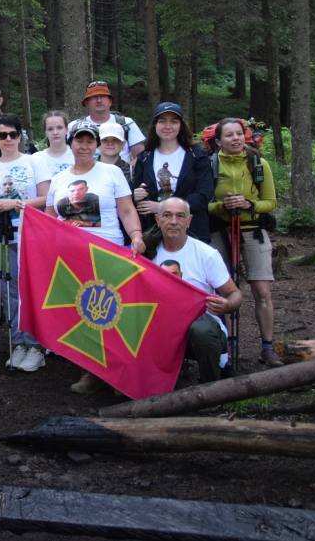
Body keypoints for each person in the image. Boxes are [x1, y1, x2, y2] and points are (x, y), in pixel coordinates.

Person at [46, 120, 146, 394]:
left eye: (90, 141)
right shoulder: (59, 179)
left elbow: (126, 210)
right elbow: (50, 219)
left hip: (107, 252)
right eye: (79, 140)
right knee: (83, 314)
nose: (85, 146)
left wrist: (136, 235)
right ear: (71, 143)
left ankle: (120, 374)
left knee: (113, 313)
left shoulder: (111, 173)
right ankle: (90, 372)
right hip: (73, 257)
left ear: (97, 144)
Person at [0, 115, 49, 373]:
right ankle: (19, 341)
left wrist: (16, 204)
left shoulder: (34, 161)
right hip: (0, 233)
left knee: (30, 288)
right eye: (2, 135)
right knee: (8, 289)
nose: (8, 139)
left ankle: (36, 346)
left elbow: (45, 198)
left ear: (20, 136)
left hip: (29, 232)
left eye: (13, 134)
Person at [208, 118, 280, 367]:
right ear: (218, 141)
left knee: (262, 291)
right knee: (223, 290)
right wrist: (221, 206)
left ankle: (267, 347)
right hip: (220, 232)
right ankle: (227, 346)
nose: (236, 138)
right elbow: (202, 202)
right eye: (229, 135)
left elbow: (270, 202)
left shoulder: (259, 163)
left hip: (253, 230)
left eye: (239, 134)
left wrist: (250, 205)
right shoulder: (210, 165)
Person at [152, 197, 242, 383]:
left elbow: (235, 294)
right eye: (167, 215)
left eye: (180, 216)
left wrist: (227, 305)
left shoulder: (206, 254)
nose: (174, 221)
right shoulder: (146, 253)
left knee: (202, 331)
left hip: (198, 327)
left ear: (189, 220)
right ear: (157, 219)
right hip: (159, 326)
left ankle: (211, 386)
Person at [131, 102, 215, 244]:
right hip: (154, 234)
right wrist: (136, 194)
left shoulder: (197, 155)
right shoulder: (144, 157)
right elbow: (134, 193)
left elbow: (204, 195)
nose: (167, 126)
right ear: (155, 125)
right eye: (162, 121)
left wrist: (162, 208)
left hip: (192, 232)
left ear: (181, 125)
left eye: (174, 121)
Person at [69, 80, 146, 164]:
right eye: (94, 97)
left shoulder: (126, 123)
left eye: (102, 96)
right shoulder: (74, 126)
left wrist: (128, 172)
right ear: (86, 103)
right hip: (86, 174)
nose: (99, 100)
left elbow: (140, 156)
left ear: (110, 101)